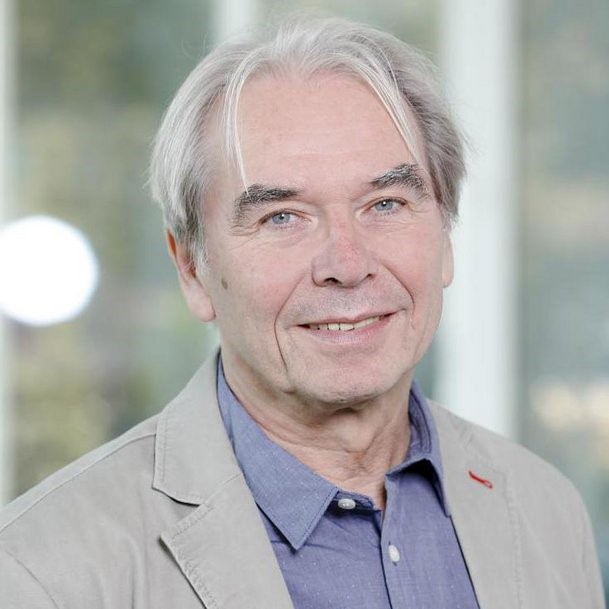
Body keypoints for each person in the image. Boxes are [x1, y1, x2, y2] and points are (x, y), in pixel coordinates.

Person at [0, 15, 605, 609]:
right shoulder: (42, 572)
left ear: (445, 236)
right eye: (282, 217)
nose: (347, 263)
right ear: (191, 267)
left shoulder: (545, 510)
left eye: (386, 203)